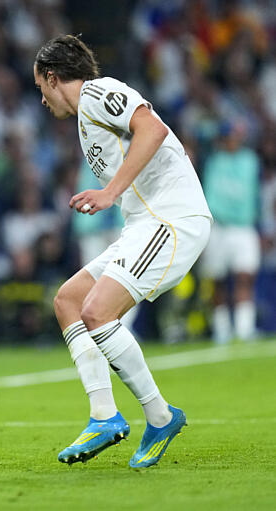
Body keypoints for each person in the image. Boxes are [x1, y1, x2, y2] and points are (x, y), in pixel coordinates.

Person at [33, 35, 212, 468]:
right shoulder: (86, 118)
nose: (41, 99)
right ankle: (103, 416)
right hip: (143, 225)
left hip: (171, 219)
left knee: (97, 312)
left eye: (40, 87)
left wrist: (110, 192)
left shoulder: (98, 92)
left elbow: (153, 128)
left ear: (53, 78)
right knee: (69, 301)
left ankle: (160, 416)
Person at [200, 121, 261, 343]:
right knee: (217, 279)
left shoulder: (250, 161)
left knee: (245, 275)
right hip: (219, 227)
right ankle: (222, 329)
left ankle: (244, 329)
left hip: (243, 226)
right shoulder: (213, 161)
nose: (233, 140)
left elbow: (255, 194)